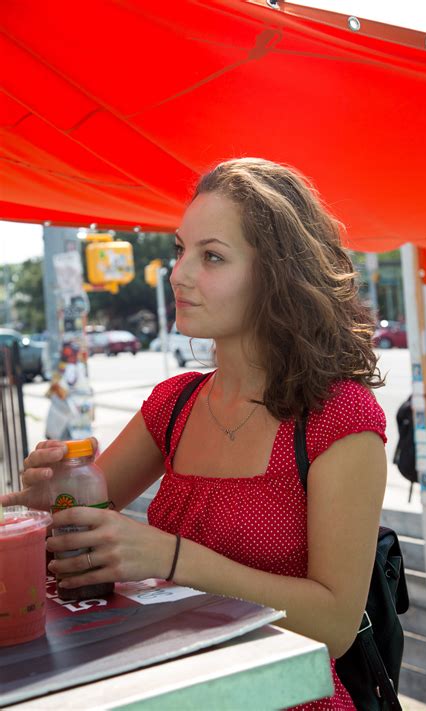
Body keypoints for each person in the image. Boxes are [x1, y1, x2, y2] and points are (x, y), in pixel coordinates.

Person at [2, 158, 388, 710]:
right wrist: (51, 496)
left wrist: (169, 555)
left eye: (212, 256)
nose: (179, 273)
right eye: (181, 250)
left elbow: (334, 625)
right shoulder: (175, 403)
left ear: (277, 276)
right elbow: (74, 526)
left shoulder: (338, 418)